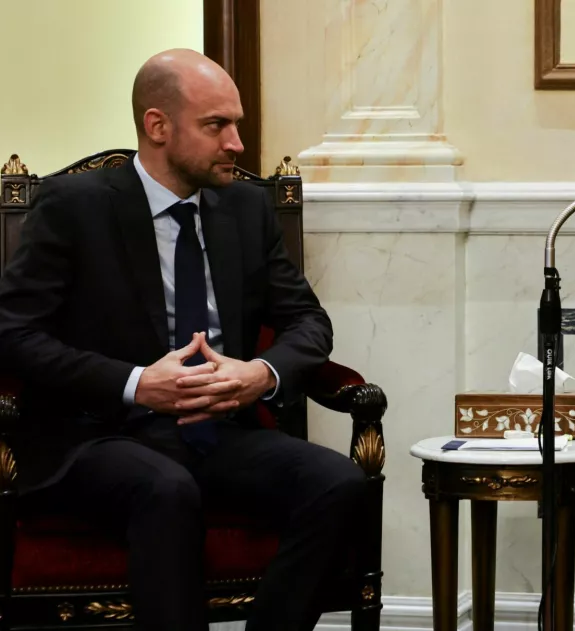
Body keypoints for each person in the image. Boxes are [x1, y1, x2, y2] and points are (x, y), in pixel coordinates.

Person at [0, 49, 366, 631]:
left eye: (236, 124)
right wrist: (138, 384)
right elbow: (13, 333)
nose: (237, 144)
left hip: (219, 431)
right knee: (164, 489)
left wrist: (259, 375)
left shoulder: (245, 208)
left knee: (340, 483)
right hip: (102, 434)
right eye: (216, 125)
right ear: (157, 125)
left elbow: (307, 321)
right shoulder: (76, 206)